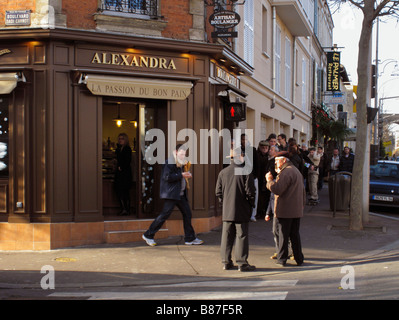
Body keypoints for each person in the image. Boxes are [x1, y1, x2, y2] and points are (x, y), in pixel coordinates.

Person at [142, 144, 203, 246]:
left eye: (184, 154)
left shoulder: (180, 163)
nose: (183, 156)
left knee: (187, 214)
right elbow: (167, 177)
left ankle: (190, 238)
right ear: (175, 152)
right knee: (164, 215)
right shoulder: (170, 162)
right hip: (172, 194)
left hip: (180, 194)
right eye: (181, 154)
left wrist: (185, 174)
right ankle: (148, 235)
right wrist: (182, 175)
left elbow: (178, 176)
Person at [215, 149, 256, 272]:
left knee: (226, 236)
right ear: (241, 157)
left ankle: (226, 261)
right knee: (241, 236)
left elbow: (218, 192)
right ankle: (242, 263)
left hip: (227, 210)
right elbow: (250, 192)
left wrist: (225, 203)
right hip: (242, 209)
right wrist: (250, 205)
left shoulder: (223, 172)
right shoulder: (246, 171)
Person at [266, 156, 306, 266]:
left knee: (283, 234)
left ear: (284, 161)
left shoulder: (286, 172)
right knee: (294, 235)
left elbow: (277, 189)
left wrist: (269, 181)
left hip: (285, 209)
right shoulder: (295, 171)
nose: (275, 163)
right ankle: (299, 258)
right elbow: (303, 191)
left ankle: (282, 259)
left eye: (276, 160)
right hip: (295, 209)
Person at [240, 133, 259, 222]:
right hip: (241, 177)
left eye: (245, 139)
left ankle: (253, 214)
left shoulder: (253, 150)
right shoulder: (238, 150)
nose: (244, 141)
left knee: (253, 195)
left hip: (252, 176)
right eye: (242, 139)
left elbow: (256, 163)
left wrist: (255, 175)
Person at [115, 133, 133, 216]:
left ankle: (127, 209)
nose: (120, 140)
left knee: (125, 191)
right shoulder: (118, 149)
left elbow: (127, 161)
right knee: (119, 191)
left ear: (125, 140)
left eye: (122, 138)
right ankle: (123, 208)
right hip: (119, 174)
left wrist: (121, 167)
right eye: (119, 138)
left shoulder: (127, 149)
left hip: (125, 174)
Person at [256, 140, 270, 220]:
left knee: (266, 196)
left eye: (266, 147)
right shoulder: (257, 155)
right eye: (263, 148)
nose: (265, 149)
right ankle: (259, 212)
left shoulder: (269, 156)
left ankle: (265, 211)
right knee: (259, 197)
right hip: (259, 178)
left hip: (267, 178)